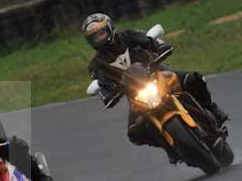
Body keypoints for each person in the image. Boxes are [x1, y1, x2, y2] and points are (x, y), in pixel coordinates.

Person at [82, 13, 228, 162]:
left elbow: (149, 41)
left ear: (110, 28)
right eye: (95, 37)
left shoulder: (129, 35)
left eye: (101, 32)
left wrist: (161, 47)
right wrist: (108, 95)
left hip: (157, 73)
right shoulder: (96, 65)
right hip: (135, 95)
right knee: (135, 132)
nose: (99, 38)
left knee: (194, 79)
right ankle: (170, 147)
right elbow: (103, 85)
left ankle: (213, 110)